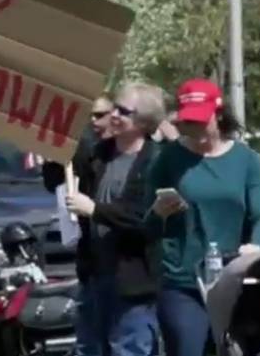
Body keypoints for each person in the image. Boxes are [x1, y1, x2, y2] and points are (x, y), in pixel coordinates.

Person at [146, 78, 260, 356]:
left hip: (234, 279)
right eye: (188, 122)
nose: (195, 129)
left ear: (218, 114)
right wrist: (158, 214)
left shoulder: (246, 160)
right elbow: (146, 224)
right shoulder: (168, 159)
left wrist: (256, 246)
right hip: (183, 280)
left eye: (201, 120)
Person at [63, 83, 166, 356]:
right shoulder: (98, 154)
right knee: (89, 348)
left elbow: (142, 215)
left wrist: (95, 210)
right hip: (95, 273)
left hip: (133, 278)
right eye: (115, 109)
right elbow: (57, 182)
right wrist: (54, 154)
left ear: (143, 121)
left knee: (128, 349)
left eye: (124, 111)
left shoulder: (156, 161)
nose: (115, 115)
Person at [43, 95, 113, 194]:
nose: (93, 119)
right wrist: (51, 163)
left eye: (99, 115)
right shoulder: (80, 146)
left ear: (114, 115)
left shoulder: (122, 145)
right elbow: (53, 184)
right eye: (90, 115)